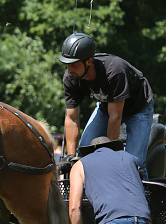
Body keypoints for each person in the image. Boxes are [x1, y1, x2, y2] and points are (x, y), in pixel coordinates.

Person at [60, 33, 155, 177]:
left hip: (138, 109)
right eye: (67, 64)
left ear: (89, 61)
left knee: (133, 164)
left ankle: (143, 197)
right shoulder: (71, 78)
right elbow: (72, 118)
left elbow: (115, 118)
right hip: (106, 107)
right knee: (84, 153)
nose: (69, 69)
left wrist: (111, 159)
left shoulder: (114, 70)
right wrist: (71, 156)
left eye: (74, 64)